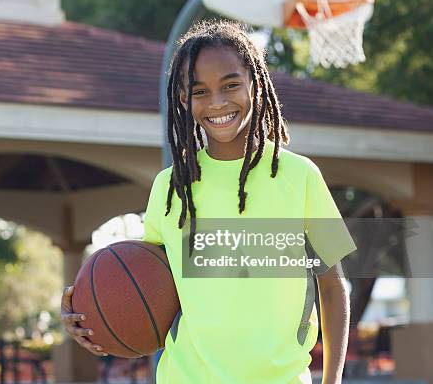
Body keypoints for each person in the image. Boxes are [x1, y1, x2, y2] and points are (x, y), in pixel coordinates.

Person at [61, 20, 356, 384]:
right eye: (200, 91)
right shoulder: (170, 188)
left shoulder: (299, 177)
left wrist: (333, 379)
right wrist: (89, 314)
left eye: (230, 85)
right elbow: (146, 287)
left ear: (256, 84)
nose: (217, 102)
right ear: (184, 99)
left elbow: (332, 285)